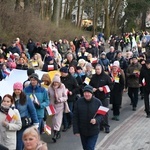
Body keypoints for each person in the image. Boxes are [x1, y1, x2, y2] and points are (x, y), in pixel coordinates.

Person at [73, 85, 103, 150]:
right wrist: (76, 130)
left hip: (94, 131)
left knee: (90, 148)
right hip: (83, 131)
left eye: (88, 93)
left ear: (92, 93)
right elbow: (75, 117)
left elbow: (101, 115)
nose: (87, 94)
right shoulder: (79, 102)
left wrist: (96, 120)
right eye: (85, 92)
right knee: (85, 148)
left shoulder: (97, 102)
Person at [12, 82, 39, 150]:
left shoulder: (26, 98)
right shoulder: (11, 98)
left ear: (21, 90)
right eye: (15, 89)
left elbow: (32, 111)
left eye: (18, 89)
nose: (17, 91)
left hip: (23, 124)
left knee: (20, 143)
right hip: (14, 123)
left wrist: (36, 123)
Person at [89, 64, 113, 133]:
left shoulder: (106, 77)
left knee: (104, 111)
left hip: (104, 97)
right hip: (96, 97)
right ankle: (100, 125)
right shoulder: (93, 77)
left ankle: (106, 126)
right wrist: (92, 89)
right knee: (97, 112)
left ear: (101, 69)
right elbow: (90, 85)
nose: (97, 71)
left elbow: (111, 86)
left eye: (98, 69)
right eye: (96, 69)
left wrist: (103, 88)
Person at [48, 74, 68, 142]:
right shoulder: (50, 88)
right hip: (52, 106)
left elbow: (65, 97)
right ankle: (57, 132)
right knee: (53, 121)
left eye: (57, 82)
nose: (55, 84)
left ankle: (55, 135)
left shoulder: (62, 87)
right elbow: (48, 96)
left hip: (60, 106)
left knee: (58, 120)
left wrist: (60, 100)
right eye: (54, 82)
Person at [60, 66, 79, 132]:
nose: (61, 74)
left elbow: (77, 88)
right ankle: (66, 125)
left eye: (62, 73)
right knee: (64, 112)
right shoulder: (60, 79)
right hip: (63, 98)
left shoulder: (72, 79)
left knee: (69, 111)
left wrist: (72, 92)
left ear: (66, 73)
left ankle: (72, 120)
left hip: (70, 98)